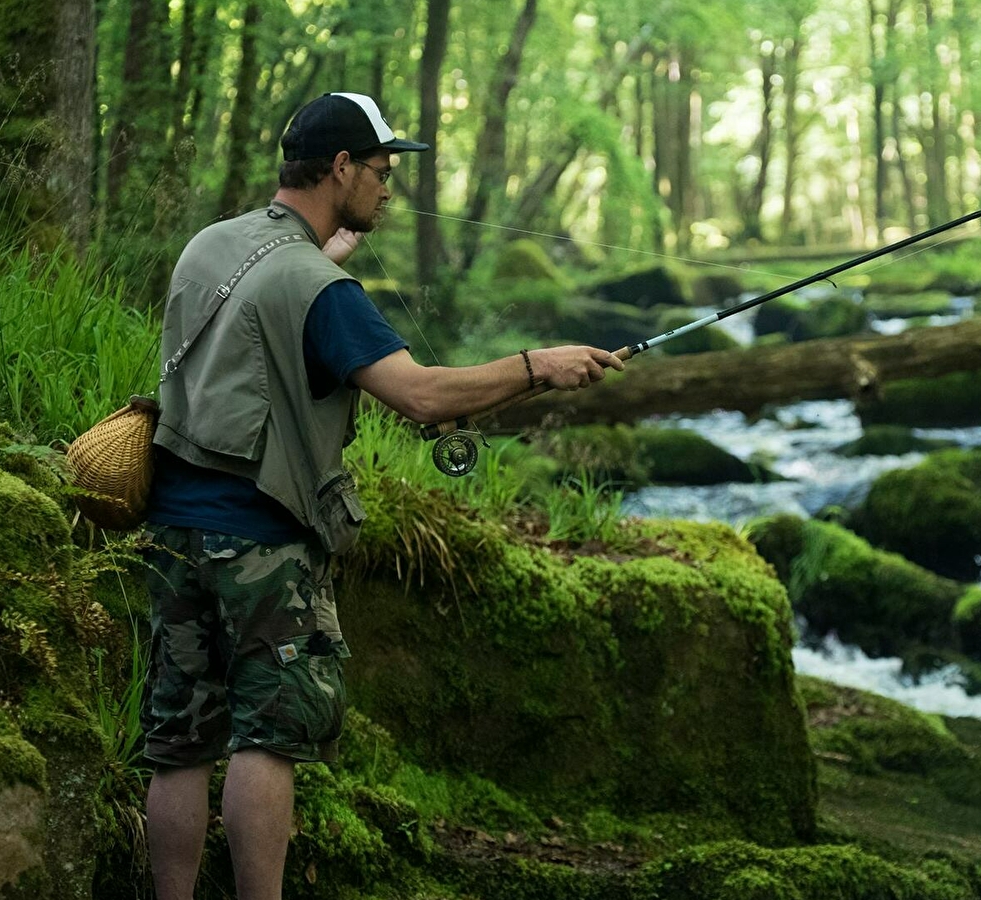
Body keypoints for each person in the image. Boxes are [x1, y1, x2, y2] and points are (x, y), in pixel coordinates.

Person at [139, 91, 623, 900]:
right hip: (262, 543)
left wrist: (327, 253)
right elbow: (423, 395)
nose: (390, 187)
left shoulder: (212, 246)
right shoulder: (325, 294)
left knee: (179, 744)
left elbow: (262, 307)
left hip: (172, 528)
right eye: (380, 168)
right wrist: (539, 365)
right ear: (340, 168)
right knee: (268, 739)